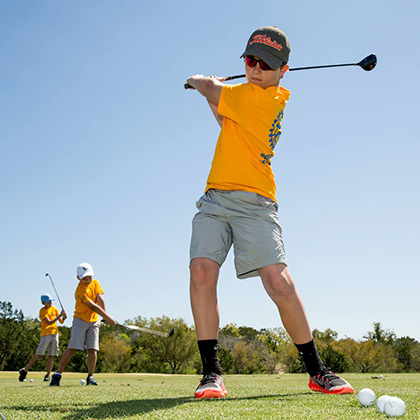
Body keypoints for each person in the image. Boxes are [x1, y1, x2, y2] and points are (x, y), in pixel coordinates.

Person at [186, 26, 354, 399]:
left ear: (283, 71)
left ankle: (317, 370)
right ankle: (211, 374)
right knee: (201, 271)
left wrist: (199, 81)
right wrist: (211, 95)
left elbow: (212, 91)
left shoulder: (264, 98)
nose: (256, 68)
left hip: (256, 203)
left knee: (278, 281)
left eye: (267, 64)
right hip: (215, 200)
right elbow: (224, 119)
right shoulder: (245, 99)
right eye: (250, 60)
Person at [49, 262, 116, 386]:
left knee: (93, 349)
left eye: (89, 277)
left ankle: (90, 377)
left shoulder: (95, 283)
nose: (87, 280)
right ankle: (57, 374)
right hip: (80, 320)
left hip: (94, 321)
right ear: (78, 278)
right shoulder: (79, 291)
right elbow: (93, 306)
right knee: (73, 348)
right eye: (84, 278)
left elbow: (100, 299)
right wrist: (108, 318)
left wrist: (105, 317)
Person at [18, 294, 67, 382]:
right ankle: (25, 370)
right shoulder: (42, 311)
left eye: (51, 301)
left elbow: (61, 322)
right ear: (43, 303)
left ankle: (48, 375)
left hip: (55, 334)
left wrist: (64, 317)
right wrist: (60, 316)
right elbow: (49, 322)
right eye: (49, 301)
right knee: (39, 354)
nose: (51, 302)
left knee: (52, 355)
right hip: (46, 335)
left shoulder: (54, 309)